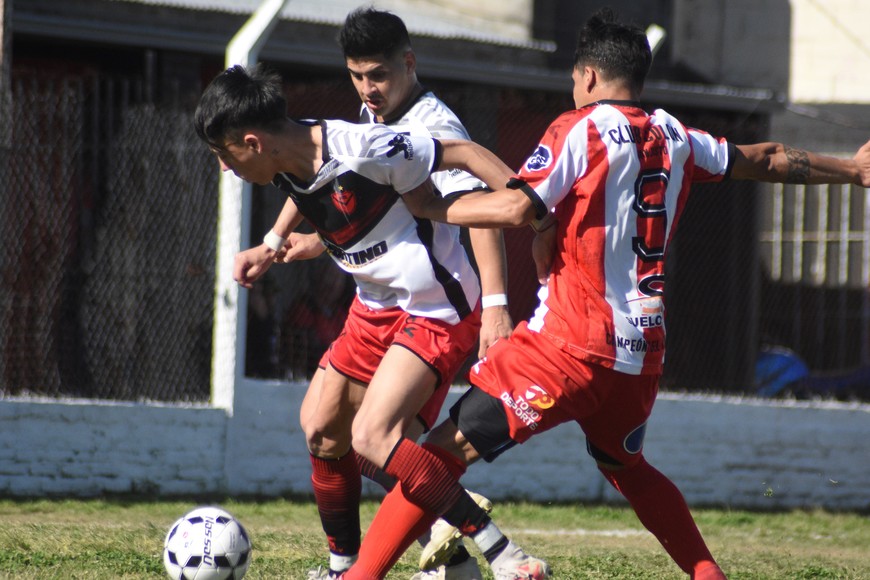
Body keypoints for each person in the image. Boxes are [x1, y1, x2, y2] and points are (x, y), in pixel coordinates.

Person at [339, 8, 870, 580]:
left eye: (573, 78)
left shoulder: (578, 129)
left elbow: (520, 205)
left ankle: (357, 576)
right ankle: (708, 575)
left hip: (565, 346)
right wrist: (853, 169)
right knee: (625, 463)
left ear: (588, 75)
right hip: (639, 353)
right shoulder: (676, 135)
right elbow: (763, 158)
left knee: (438, 455)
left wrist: (432, 205)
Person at [192, 62, 540, 580]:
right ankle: (346, 567)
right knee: (321, 432)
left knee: (372, 438)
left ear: (252, 141)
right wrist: (271, 244)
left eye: (225, 153)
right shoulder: (285, 152)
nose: (225, 166)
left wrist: (522, 197)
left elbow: (460, 152)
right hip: (375, 307)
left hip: (434, 308)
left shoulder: (362, 146)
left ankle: (501, 553)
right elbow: (299, 186)